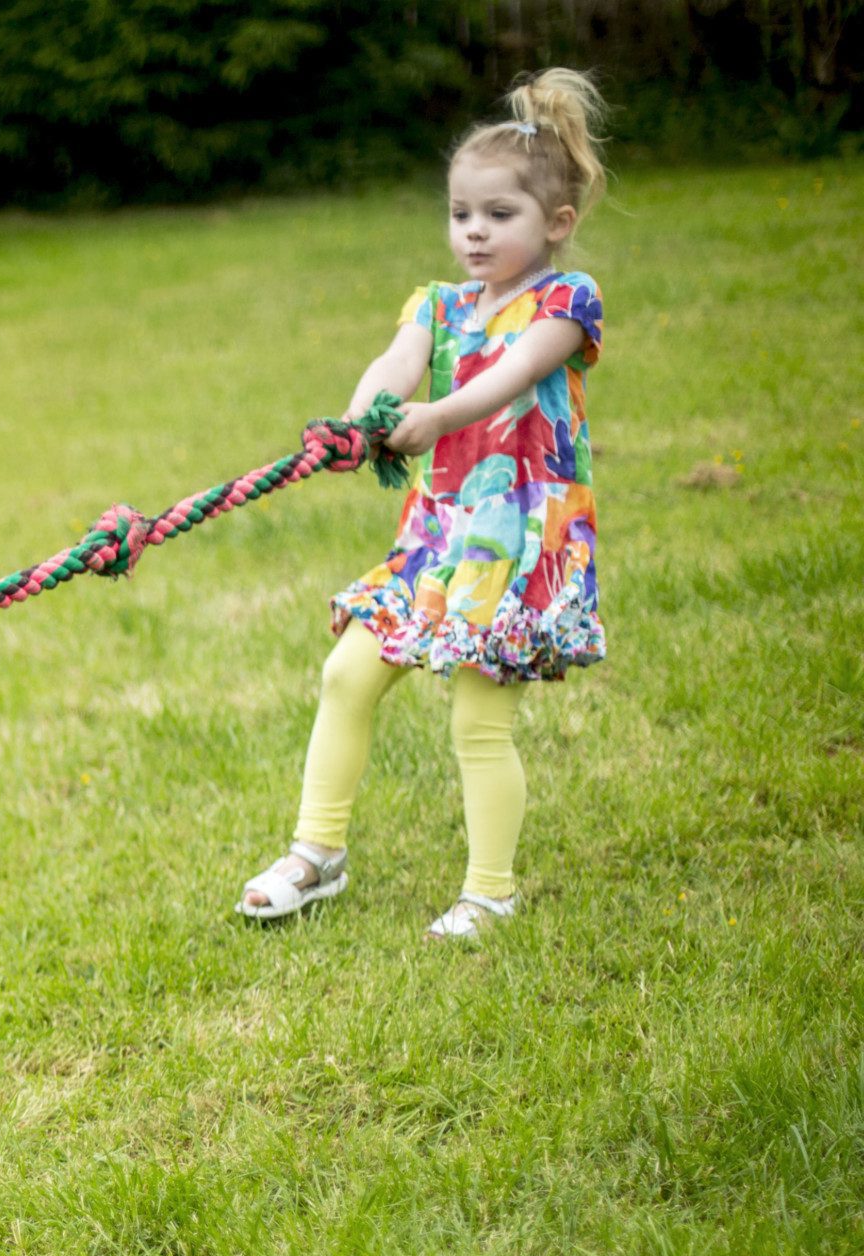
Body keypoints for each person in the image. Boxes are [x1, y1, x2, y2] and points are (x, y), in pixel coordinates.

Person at [239, 68, 610, 940]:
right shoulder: (437, 306)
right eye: (461, 214)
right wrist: (360, 416)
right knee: (347, 673)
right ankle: (316, 853)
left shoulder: (566, 301)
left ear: (556, 223)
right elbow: (394, 367)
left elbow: (509, 378)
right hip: (434, 541)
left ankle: (490, 892)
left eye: (499, 215)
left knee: (478, 718)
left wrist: (432, 419)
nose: (475, 232)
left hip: (514, 548)